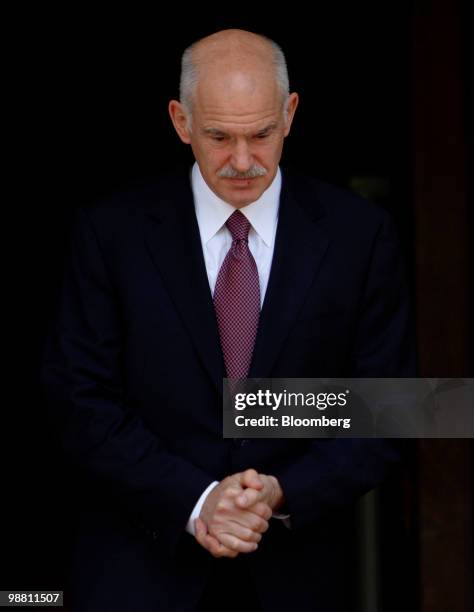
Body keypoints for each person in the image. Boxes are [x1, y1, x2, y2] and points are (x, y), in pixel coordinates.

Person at [41, 29, 416, 612]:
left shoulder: (359, 235)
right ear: (180, 121)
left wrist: (279, 492)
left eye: (261, 134)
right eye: (218, 136)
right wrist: (196, 500)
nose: (242, 162)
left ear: (290, 114)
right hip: (139, 573)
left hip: (300, 577)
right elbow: (77, 399)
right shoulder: (109, 232)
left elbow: (396, 406)